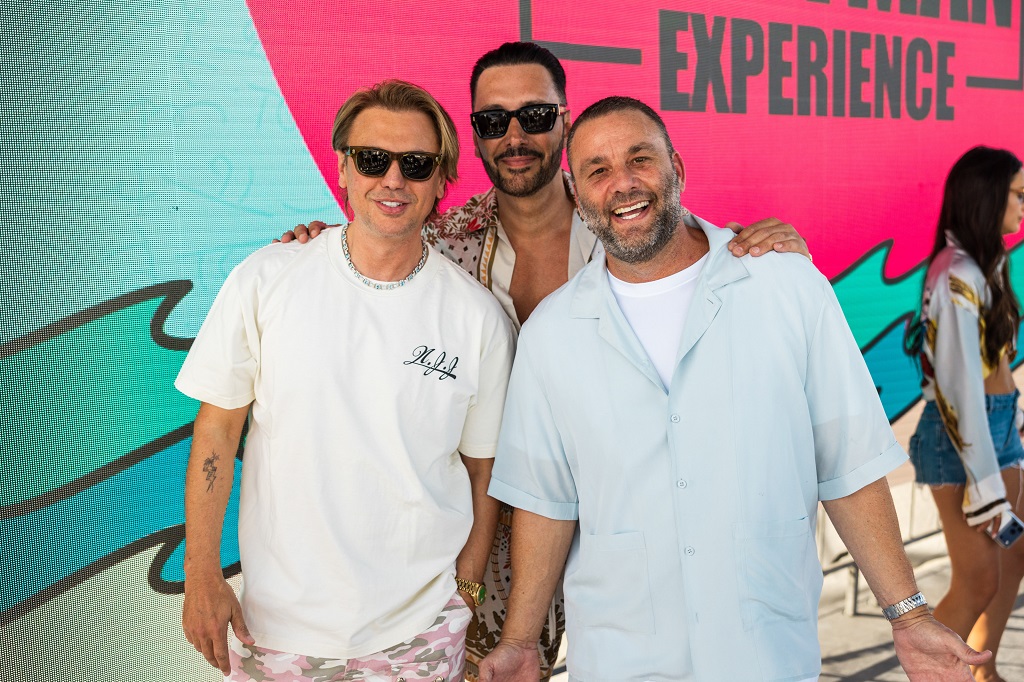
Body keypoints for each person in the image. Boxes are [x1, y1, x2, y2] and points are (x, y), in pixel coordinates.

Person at [280, 41, 810, 680]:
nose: (514, 137)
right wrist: (318, 241)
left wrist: (761, 245)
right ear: (474, 133)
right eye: (492, 121)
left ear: (565, 119)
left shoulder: (630, 225)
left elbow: (692, 245)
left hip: (621, 537)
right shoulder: (439, 247)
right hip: (479, 551)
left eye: (534, 116)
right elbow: (366, 259)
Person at [477, 96, 991, 681]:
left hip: (765, 657)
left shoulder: (786, 286)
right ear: (578, 193)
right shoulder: (552, 332)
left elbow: (849, 463)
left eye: (640, 159)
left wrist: (909, 614)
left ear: (676, 168)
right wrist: (520, 640)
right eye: (598, 170)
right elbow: (544, 502)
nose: (622, 183)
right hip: (621, 661)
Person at [175, 79, 514, 682]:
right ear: (343, 168)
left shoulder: (477, 317)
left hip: (420, 637)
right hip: (276, 631)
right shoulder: (266, 278)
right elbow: (218, 432)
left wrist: (464, 592)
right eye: (372, 159)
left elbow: (482, 471)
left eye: (416, 164)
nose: (393, 179)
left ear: (442, 178)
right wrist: (200, 574)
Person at [907, 146, 1024, 682]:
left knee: (1012, 559)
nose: (1023, 205)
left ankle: (984, 672)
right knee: (977, 580)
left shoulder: (985, 264)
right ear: (988, 197)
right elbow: (958, 393)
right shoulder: (956, 274)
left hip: (996, 427)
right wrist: (986, 486)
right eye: (1017, 194)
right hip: (961, 439)